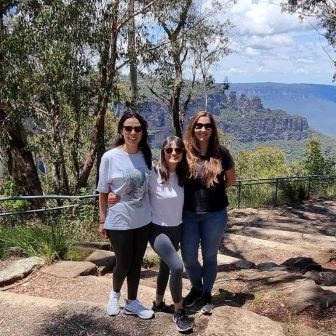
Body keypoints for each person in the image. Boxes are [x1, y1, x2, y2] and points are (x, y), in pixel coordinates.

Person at [108, 136, 192, 333]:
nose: (173, 154)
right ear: (162, 152)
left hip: (176, 228)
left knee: (165, 266)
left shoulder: (182, 175)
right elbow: (132, 188)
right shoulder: (152, 174)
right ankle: (179, 311)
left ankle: (159, 301)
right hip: (157, 230)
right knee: (177, 267)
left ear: (182, 153)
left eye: (178, 150)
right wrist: (113, 195)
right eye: (169, 150)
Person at [97, 111, 154, 319]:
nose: (133, 132)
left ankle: (132, 302)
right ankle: (114, 295)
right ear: (121, 131)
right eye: (128, 128)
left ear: (142, 132)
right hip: (119, 220)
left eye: (137, 129)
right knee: (123, 262)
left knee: (136, 262)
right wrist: (102, 219)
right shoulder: (110, 157)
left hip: (143, 221)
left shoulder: (146, 155)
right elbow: (103, 191)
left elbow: (151, 188)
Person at [181, 111, 236, 314]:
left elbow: (231, 179)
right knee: (188, 257)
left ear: (212, 130)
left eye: (207, 126)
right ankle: (196, 288)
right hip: (188, 214)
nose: (203, 129)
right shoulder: (184, 152)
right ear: (192, 128)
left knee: (210, 256)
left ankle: (206, 293)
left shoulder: (222, 153)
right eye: (198, 125)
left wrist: (214, 193)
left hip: (215, 214)